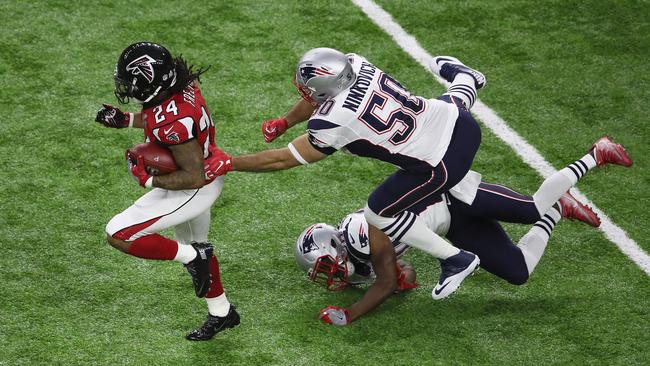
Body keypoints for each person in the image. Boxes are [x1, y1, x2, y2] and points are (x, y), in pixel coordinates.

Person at [206, 49, 492, 300]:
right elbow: (323, 96)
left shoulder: (331, 122)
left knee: (378, 214)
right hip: (458, 122)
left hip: (442, 161)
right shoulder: (355, 63)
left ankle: (455, 259)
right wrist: (286, 121)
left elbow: (284, 159)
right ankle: (466, 78)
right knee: (448, 104)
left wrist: (231, 162)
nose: (304, 94)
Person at [294, 136, 632, 325]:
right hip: (453, 227)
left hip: (455, 196)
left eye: (326, 264)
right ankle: (560, 208)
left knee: (530, 209)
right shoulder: (357, 255)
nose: (331, 273)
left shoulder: (360, 231)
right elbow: (401, 274)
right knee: (518, 271)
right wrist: (401, 280)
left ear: (337, 244)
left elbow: (384, 282)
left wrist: (350, 314)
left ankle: (596, 154)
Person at [94, 42, 238, 341]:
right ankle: (222, 312)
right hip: (205, 166)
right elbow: (159, 117)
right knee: (197, 242)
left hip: (196, 185)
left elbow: (193, 175)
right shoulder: (179, 85)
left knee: (119, 233)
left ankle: (192, 258)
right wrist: (126, 120)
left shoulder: (171, 122)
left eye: (133, 82)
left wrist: (148, 180)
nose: (128, 89)